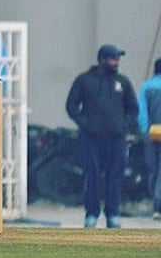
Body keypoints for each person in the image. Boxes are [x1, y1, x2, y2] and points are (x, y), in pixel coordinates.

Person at [65, 44, 139, 228]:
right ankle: (91, 214)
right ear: (103, 60)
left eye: (118, 59)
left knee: (115, 177)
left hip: (116, 139)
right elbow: (72, 105)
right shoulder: (85, 80)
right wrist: (86, 124)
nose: (116, 62)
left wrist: (124, 125)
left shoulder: (122, 82)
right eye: (113, 58)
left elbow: (133, 107)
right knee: (93, 176)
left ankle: (113, 214)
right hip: (91, 139)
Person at [137, 58, 161, 220]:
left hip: (153, 133)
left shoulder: (146, 86)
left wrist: (145, 131)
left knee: (153, 169)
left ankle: (156, 205)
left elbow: (142, 113)